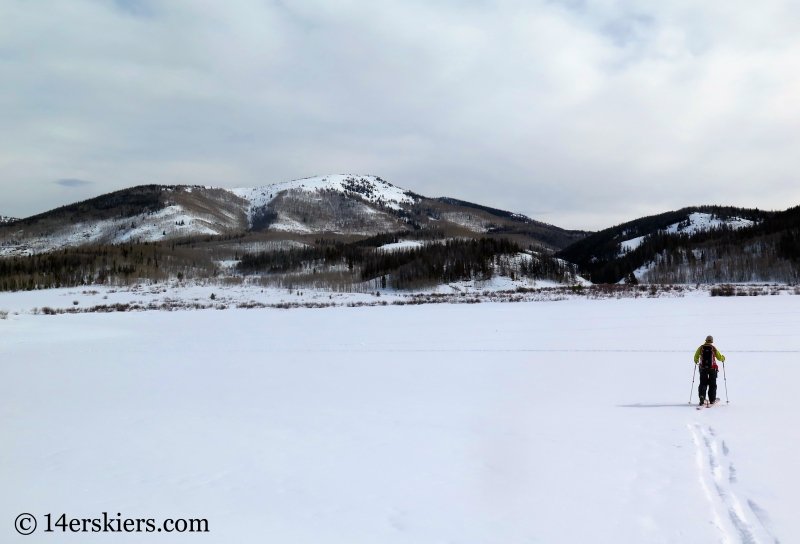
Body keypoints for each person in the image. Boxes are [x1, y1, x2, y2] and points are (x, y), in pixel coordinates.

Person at [694, 335, 725, 406]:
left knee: (703, 383)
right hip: (712, 369)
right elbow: (719, 357)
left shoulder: (701, 347)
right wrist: (723, 358)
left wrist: (696, 361)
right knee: (712, 385)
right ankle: (712, 399)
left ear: (706, 340)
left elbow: (696, 356)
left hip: (703, 369)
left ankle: (702, 397)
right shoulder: (713, 348)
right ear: (712, 341)